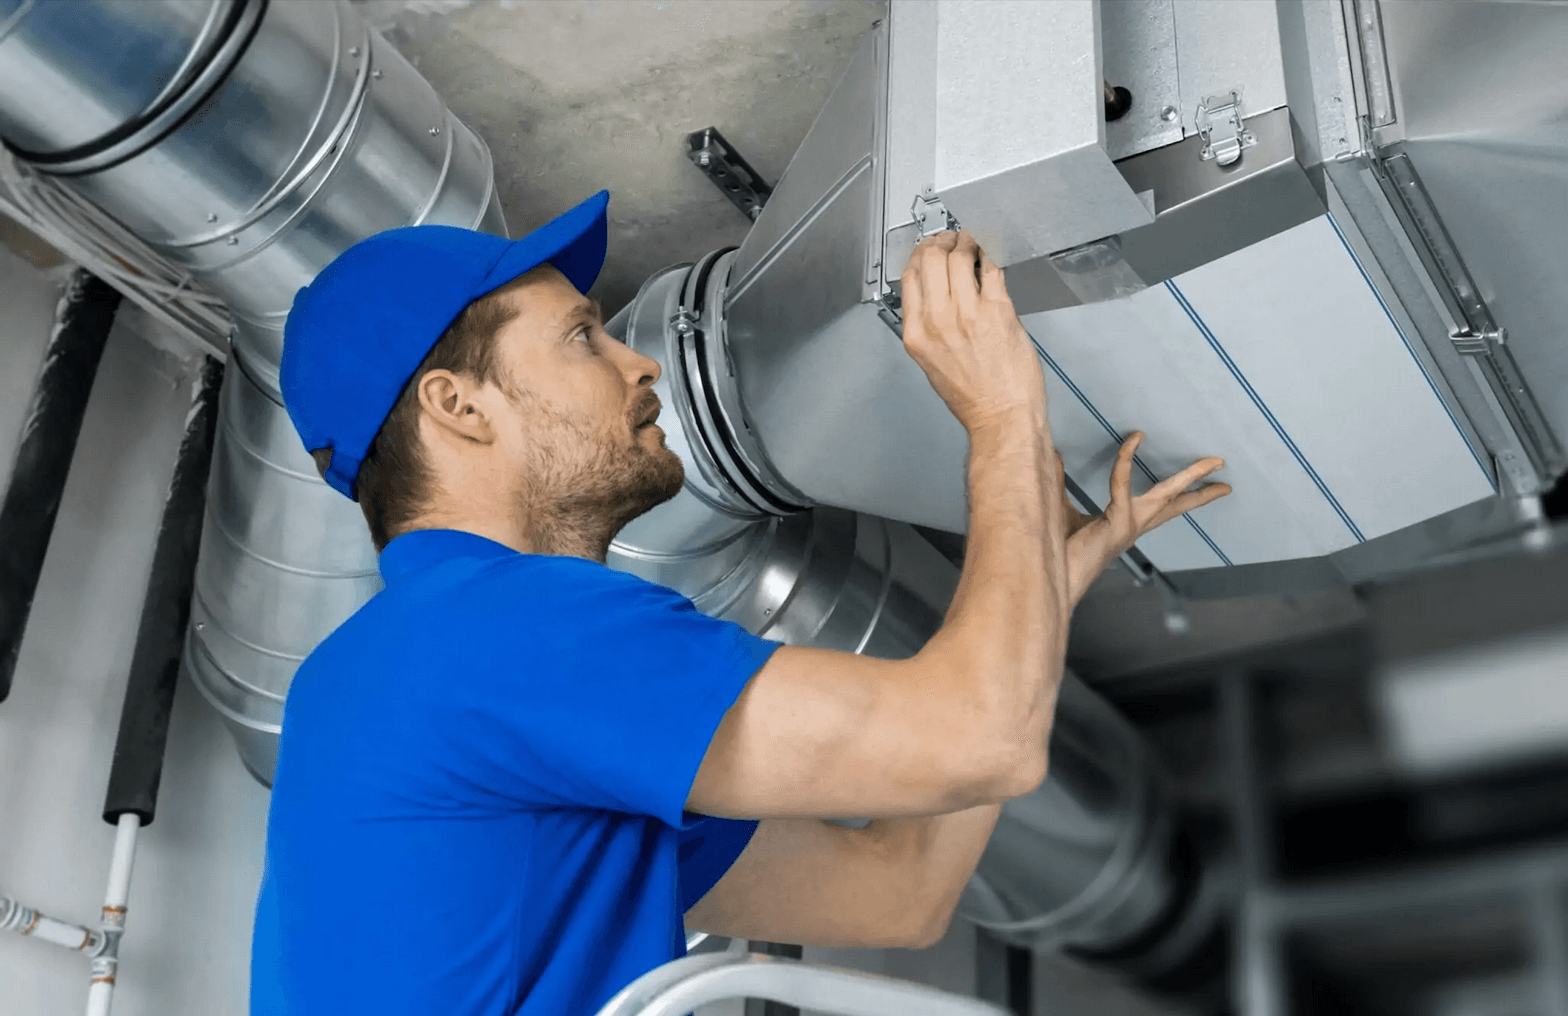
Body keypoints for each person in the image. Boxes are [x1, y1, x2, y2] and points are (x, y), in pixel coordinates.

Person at [250, 190, 1230, 1015]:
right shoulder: (495, 634)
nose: (636, 362)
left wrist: (1043, 585)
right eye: (581, 336)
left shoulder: (407, 677)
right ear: (458, 405)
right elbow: (984, 741)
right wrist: (1002, 412)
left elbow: (900, 889)